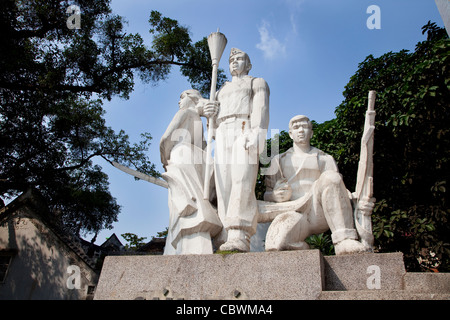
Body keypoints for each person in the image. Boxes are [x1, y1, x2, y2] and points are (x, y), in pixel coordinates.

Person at [263, 115, 368, 255]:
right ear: (290, 134)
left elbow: (337, 188)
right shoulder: (278, 160)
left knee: (330, 177)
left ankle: (344, 239)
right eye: (296, 128)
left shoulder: (325, 159)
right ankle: (302, 247)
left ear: (311, 132)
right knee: (276, 245)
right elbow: (267, 195)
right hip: (292, 210)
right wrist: (275, 195)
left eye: (305, 127)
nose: (301, 131)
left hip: (317, 210)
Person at [203, 48, 270, 252]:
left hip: (244, 127)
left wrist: (258, 131)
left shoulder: (256, 82)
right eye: (231, 59)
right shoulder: (220, 90)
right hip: (222, 131)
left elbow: (261, 108)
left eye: (239, 59)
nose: (234, 62)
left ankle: (239, 233)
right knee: (223, 184)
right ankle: (224, 233)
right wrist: (209, 114)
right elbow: (211, 122)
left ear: (248, 64)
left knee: (243, 179)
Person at [160, 89, 222, 255]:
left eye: (181, 97)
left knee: (187, 201)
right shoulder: (196, 119)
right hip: (195, 159)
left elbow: (165, 138)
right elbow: (203, 147)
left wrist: (165, 159)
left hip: (181, 156)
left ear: (191, 98)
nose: (179, 102)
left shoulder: (186, 112)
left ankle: (188, 239)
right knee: (192, 198)